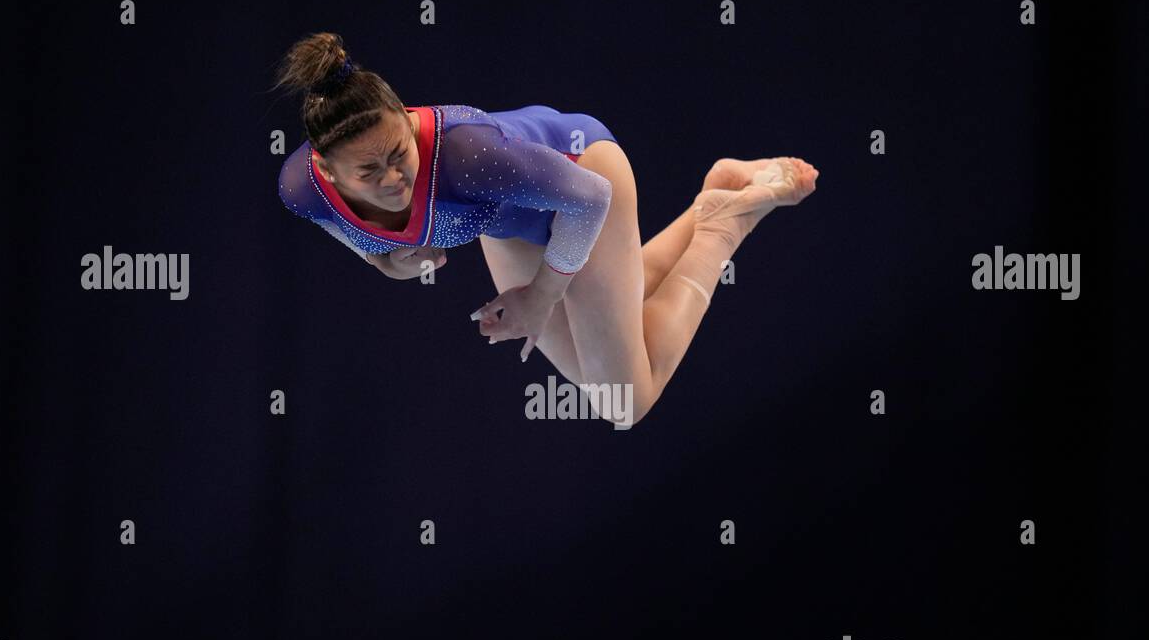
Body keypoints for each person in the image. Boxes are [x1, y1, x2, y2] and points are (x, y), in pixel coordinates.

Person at [275, 32, 819, 427]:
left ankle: (724, 226)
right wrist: (396, 265)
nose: (394, 178)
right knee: (602, 362)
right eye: (369, 173)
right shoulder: (303, 193)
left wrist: (541, 296)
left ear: (404, 120)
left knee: (621, 402)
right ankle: (717, 196)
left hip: (583, 174)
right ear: (326, 170)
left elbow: (589, 202)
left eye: (400, 153)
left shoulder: (465, 156)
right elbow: (382, 252)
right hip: (510, 215)